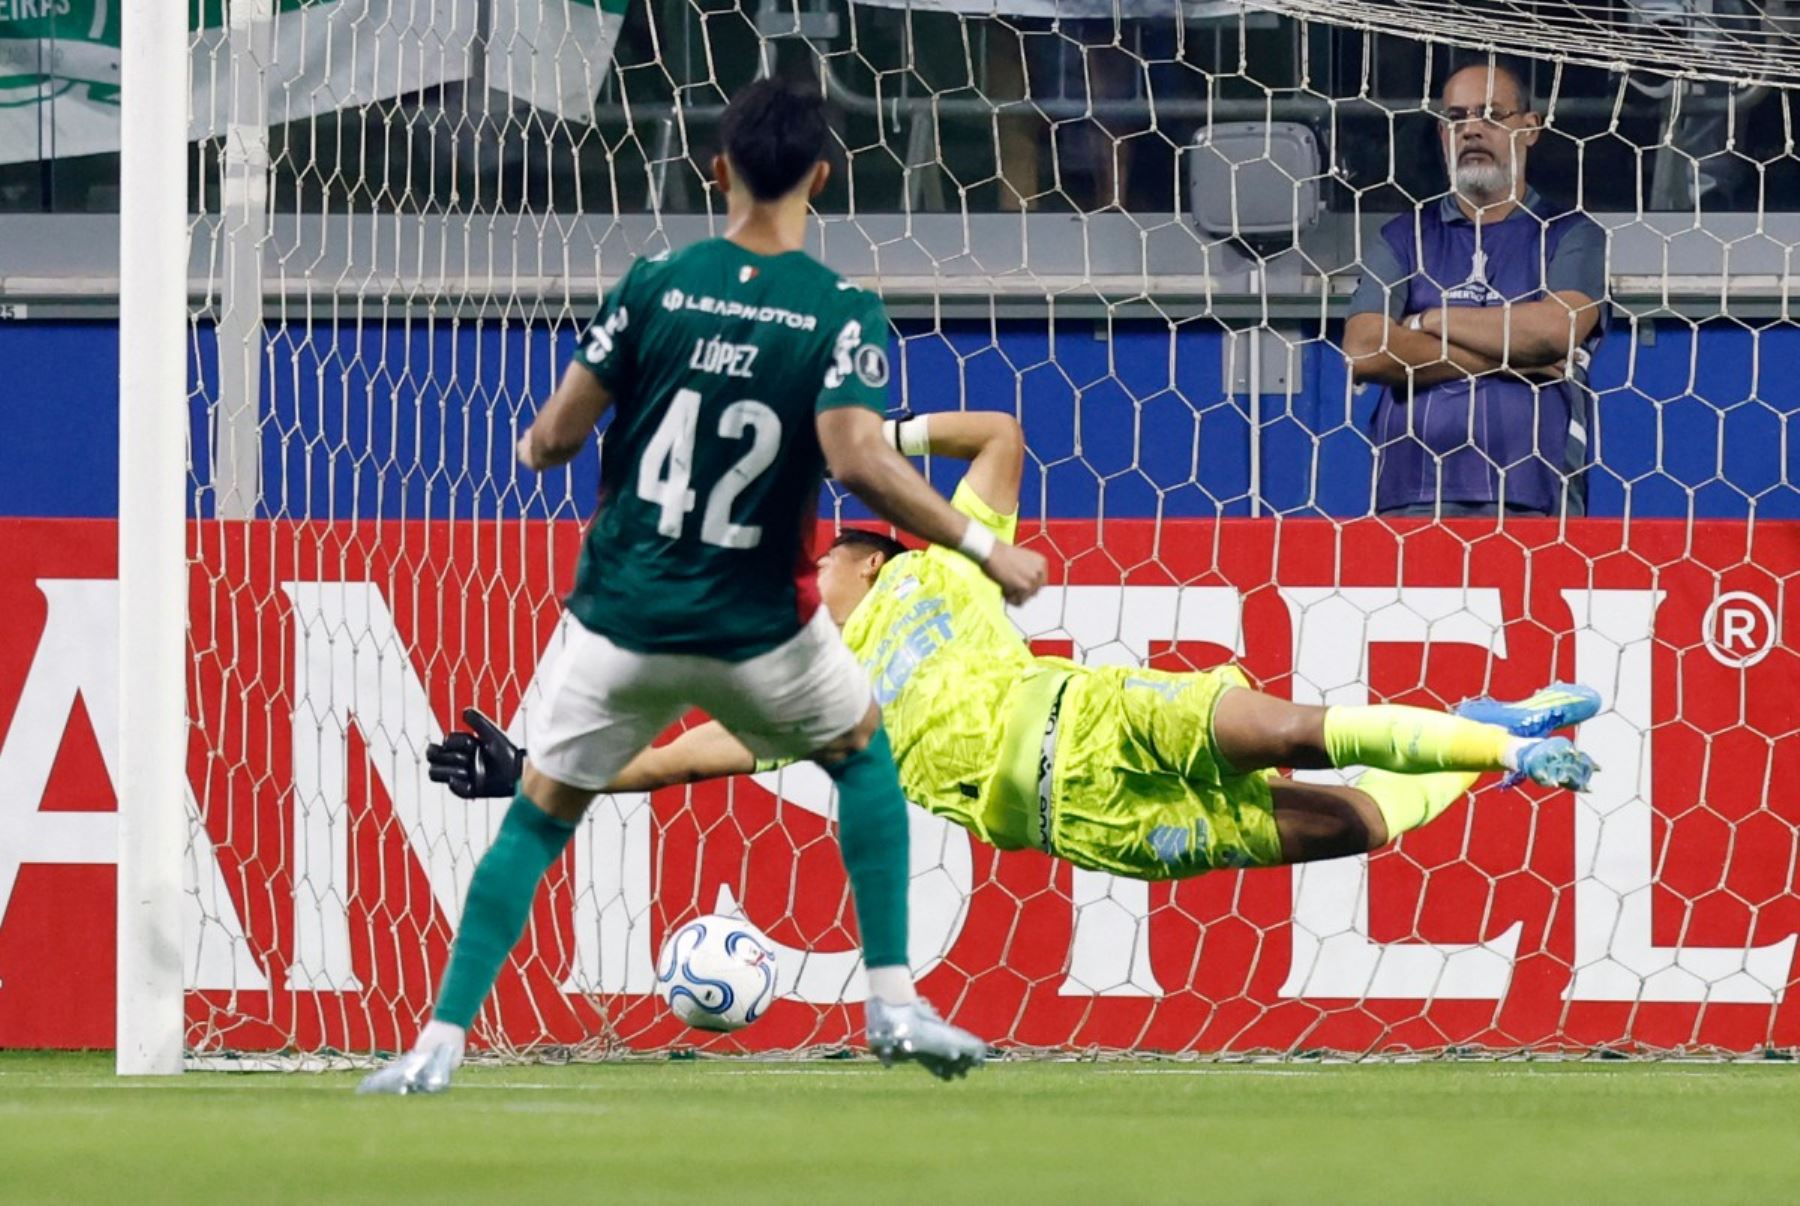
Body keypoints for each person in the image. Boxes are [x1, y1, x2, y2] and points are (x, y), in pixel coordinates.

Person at [359, 79, 1048, 1095]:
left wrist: (542, 442)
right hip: (759, 623)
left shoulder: (652, 286)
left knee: (542, 816)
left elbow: (553, 439)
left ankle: (438, 1041)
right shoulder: (840, 309)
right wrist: (989, 552)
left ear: (714, 171)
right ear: (822, 175)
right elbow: (858, 461)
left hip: (627, 613)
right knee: (862, 756)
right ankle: (895, 1000)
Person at [432, 411, 1599, 896]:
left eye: (826, 555)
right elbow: (671, 764)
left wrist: (866, 448)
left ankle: (1498, 736)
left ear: (871, 561)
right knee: (1353, 827)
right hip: (1079, 824)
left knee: (1286, 731)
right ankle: (1489, 743)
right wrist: (538, 764)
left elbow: (1000, 433)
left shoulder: (950, 561)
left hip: (1090, 716)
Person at [1344, 62, 1609, 518]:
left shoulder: (1571, 234)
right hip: (1412, 494)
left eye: (1490, 115)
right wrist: (1512, 356)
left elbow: (1552, 331)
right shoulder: (1403, 236)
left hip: (1534, 493)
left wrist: (1428, 320)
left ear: (1530, 128)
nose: (1470, 130)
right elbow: (1367, 350)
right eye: (1456, 117)